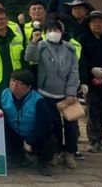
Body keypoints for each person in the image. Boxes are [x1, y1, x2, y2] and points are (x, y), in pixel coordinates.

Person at [24, 17, 80, 168]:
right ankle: (54, 152)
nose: (53, 32)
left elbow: (74, 71)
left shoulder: (70, 48)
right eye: (49, 30)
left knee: (72, 126)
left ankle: (69, 153)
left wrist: (71, 92)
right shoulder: (41, 45)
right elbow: (29, 57)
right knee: (54, 125)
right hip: (46, 93)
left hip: (66, 95)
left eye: (56, 30)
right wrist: (33, 42)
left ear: (62, 31)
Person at [0, 69, 58, 176]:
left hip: (33, 134)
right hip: (14, 133)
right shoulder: (3, 95)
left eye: (20, 83)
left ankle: (43, 162)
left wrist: (29, 141)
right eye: (13, 81)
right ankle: (17, 157)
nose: (15, 85)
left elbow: (44, 125)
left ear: (29, 87)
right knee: (0, 131)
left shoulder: (39, 101)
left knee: (50, 140)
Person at [78, 10, 102, 153]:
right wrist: (91, 70)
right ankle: (94, 140)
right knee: (93, 111)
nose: (97, 24)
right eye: (94, 22)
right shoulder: (82, 39)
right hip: (91, 82)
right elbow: (81, 59)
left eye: (100, 22)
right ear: (89, 24)